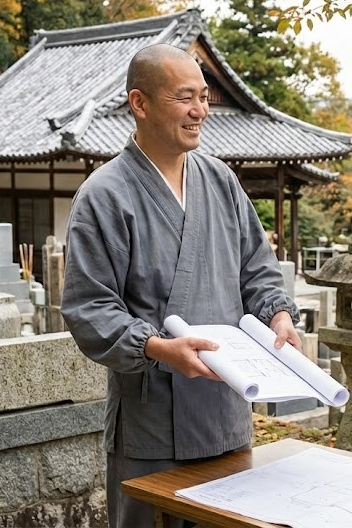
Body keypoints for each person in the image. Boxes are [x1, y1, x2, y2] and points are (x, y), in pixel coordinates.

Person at [61, 44, 300, 528]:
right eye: (184, 98)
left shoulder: (221, 180)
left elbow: (257, 267)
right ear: (140, 103)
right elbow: (89, 306)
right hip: (153, 422)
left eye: (205, 97)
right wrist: (159, 347)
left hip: (225, 411)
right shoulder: (104, 195)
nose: (200, 111)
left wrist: (277, 312)